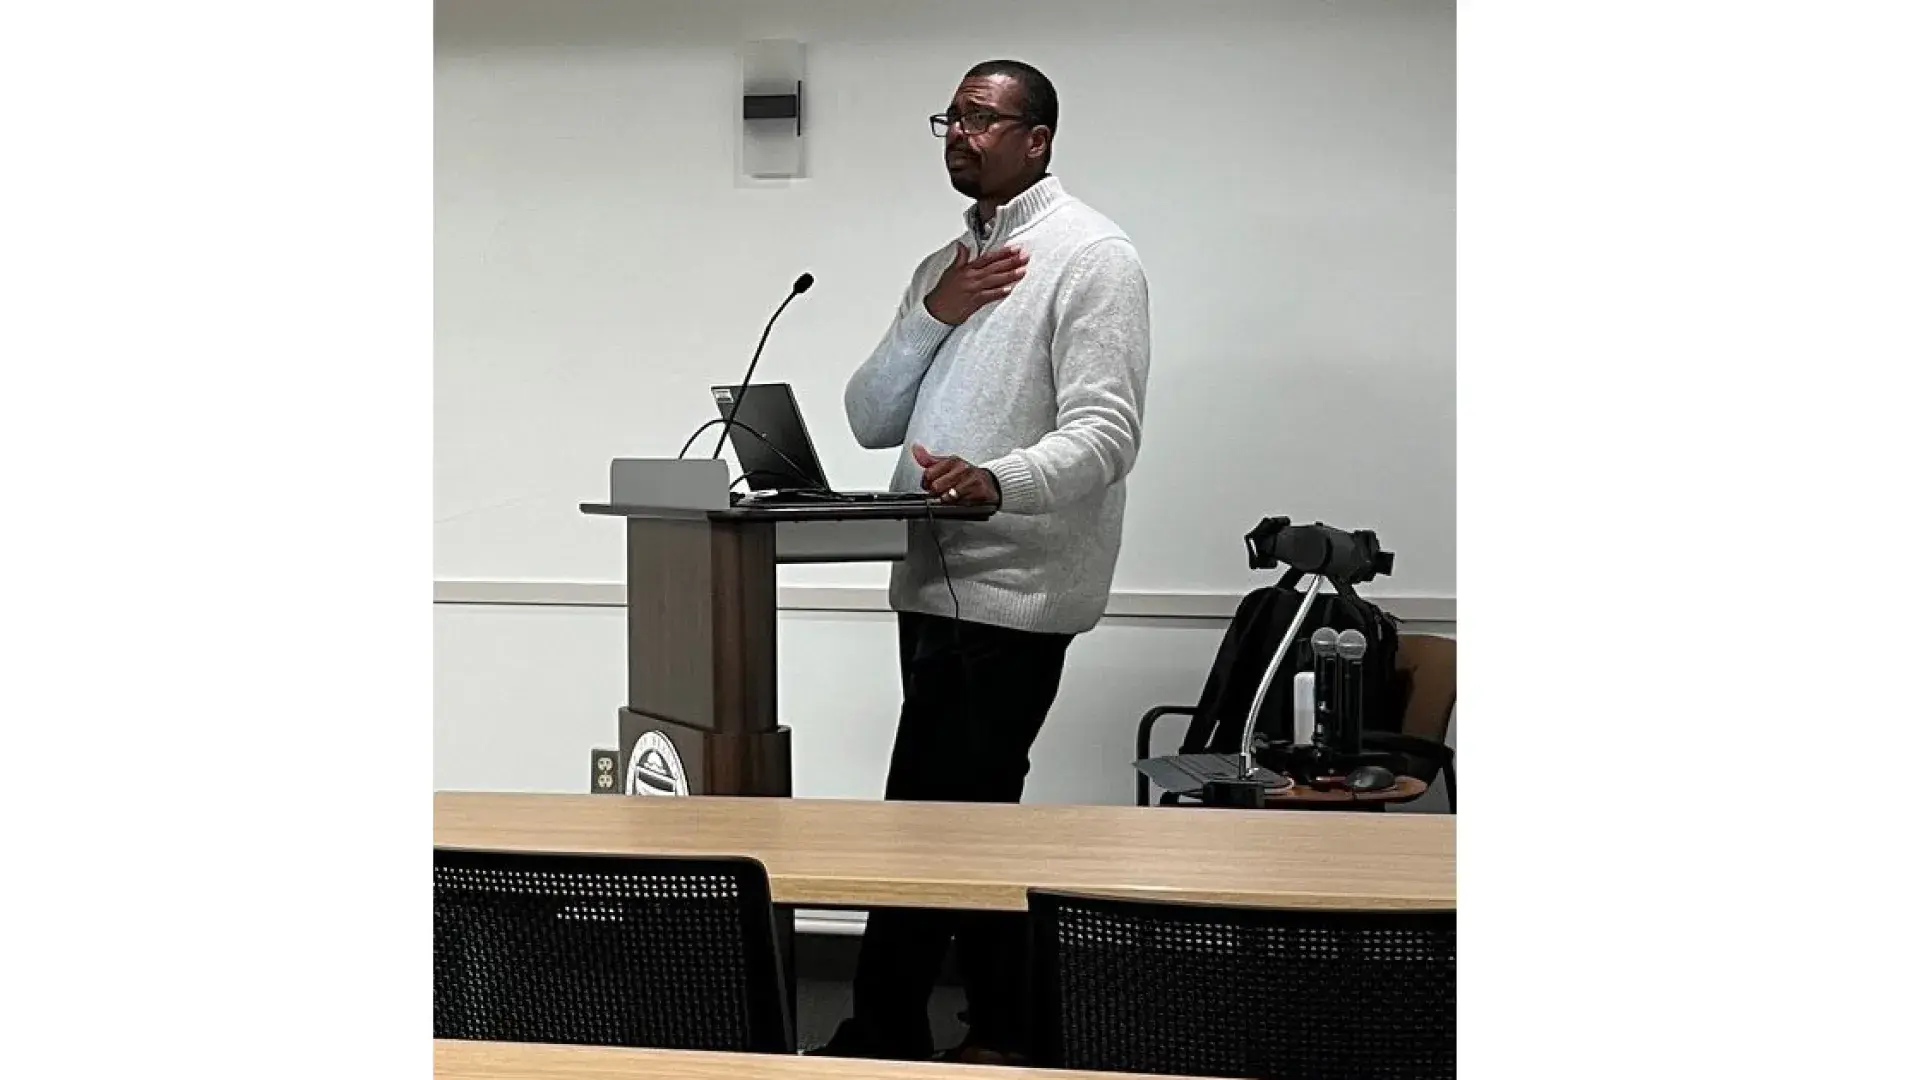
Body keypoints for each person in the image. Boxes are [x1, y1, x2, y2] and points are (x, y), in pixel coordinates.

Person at [820, 59, 1151, 1064]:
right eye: (949, 119)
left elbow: (1107, 433)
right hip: (930, 578)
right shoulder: (945, 266)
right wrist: (937, 311)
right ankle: (1012, 1028)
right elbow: (870, 415)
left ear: (1036, 138)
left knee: (931, 821)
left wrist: (997, 481)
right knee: (966, 817)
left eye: (978, 118)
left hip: (1016, 586)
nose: (958, 134)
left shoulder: (1094, 256)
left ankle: (882, 1030)